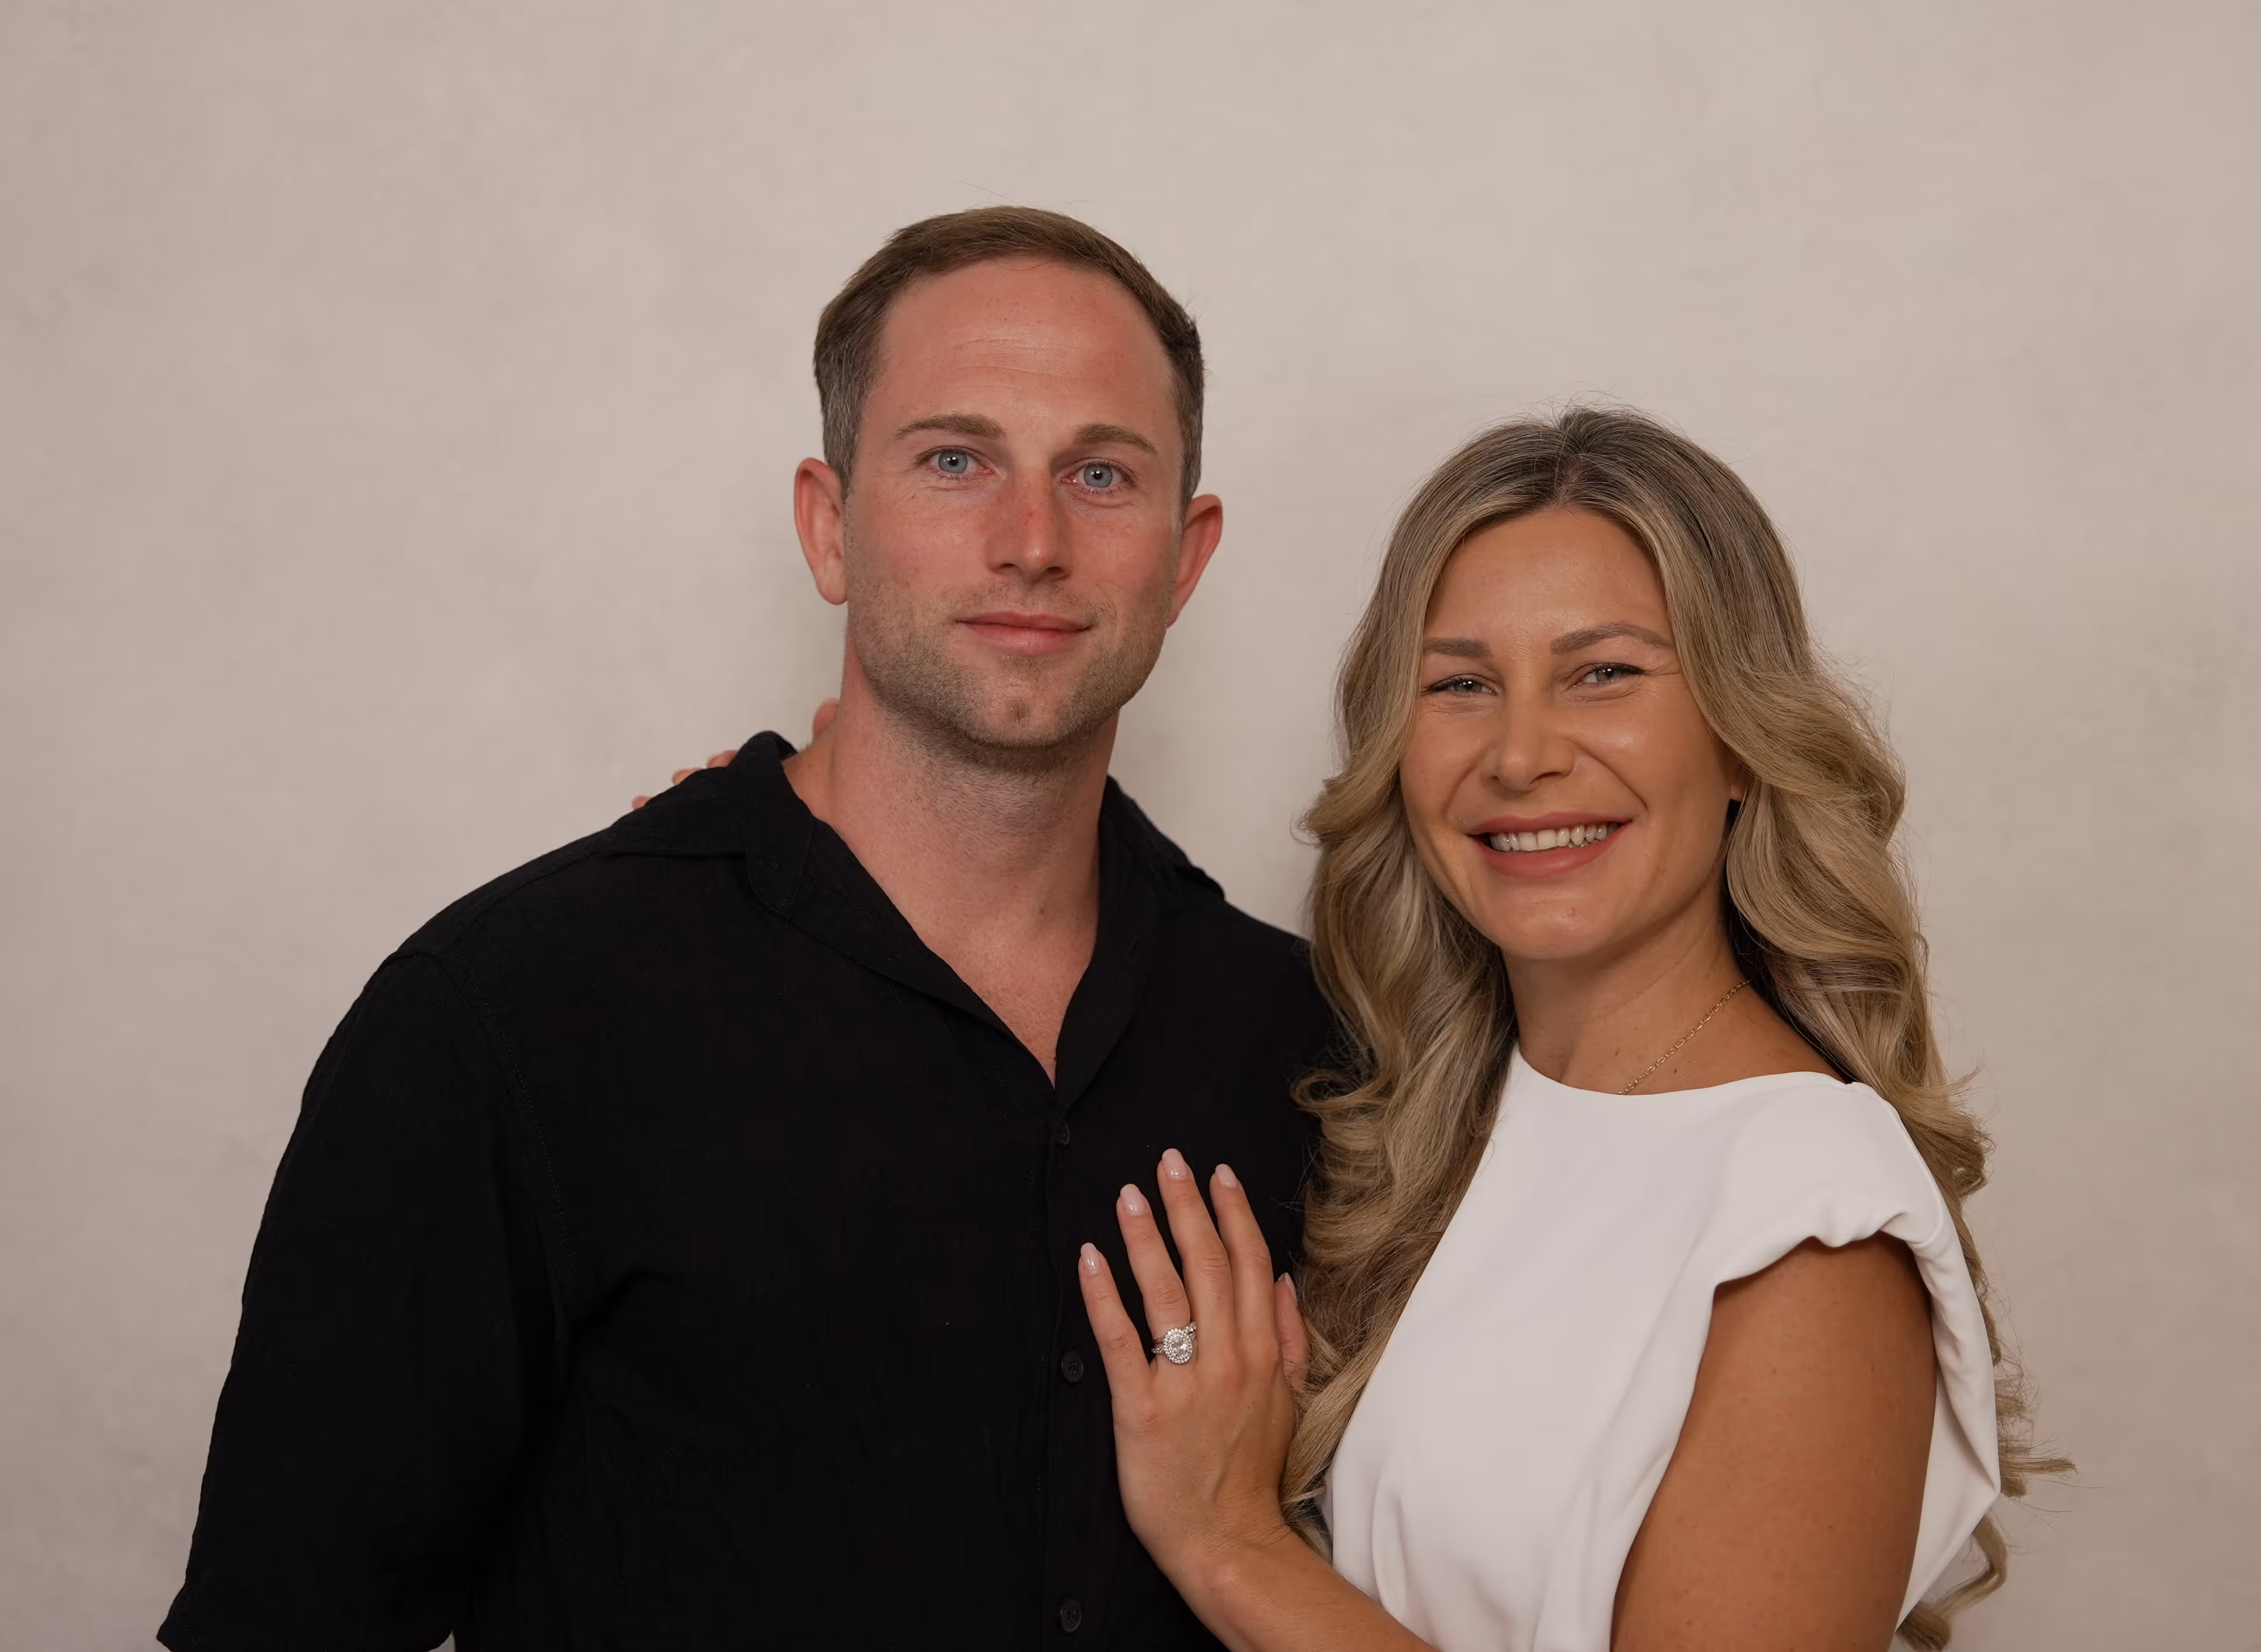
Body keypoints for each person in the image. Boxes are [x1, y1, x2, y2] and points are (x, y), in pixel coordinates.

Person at [159, 208, 1337, 1650]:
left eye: (1100, 473)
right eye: (954, 460)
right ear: (829, 526)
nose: (1031, 541)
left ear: (1184, 554)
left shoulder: (1298, 1041)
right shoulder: (508, 1021)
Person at [1047, 408, 2064, 1650]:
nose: (1521, 755)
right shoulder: (1432, 1116)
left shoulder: (1808, 1217)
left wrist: (1230, 1545)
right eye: (1461, 684)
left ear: (1741, 742)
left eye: (1604, 673)